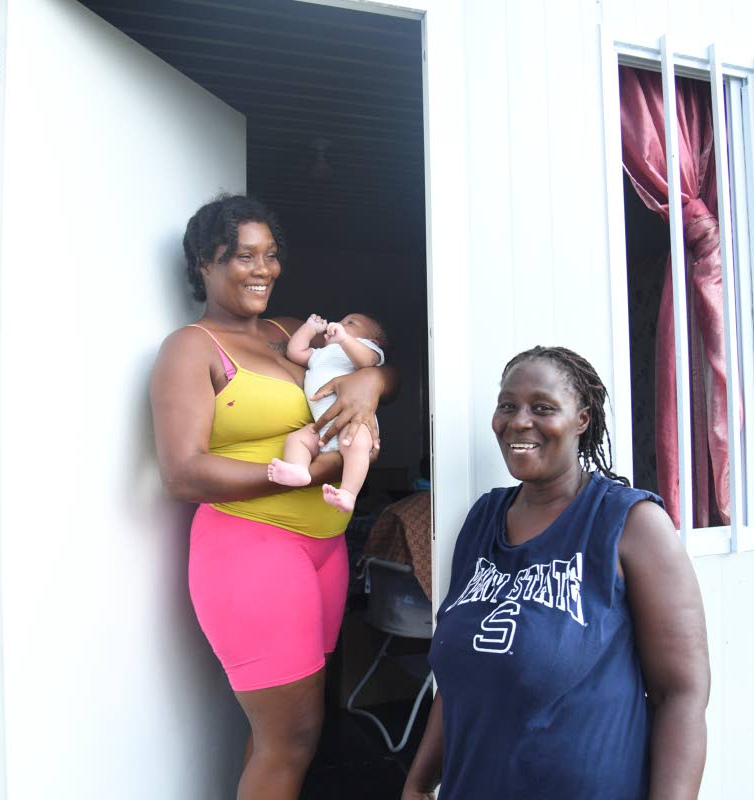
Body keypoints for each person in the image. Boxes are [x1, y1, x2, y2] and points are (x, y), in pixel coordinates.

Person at [150, 194, 395, 800]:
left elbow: (384, 367)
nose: (264, 268)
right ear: (203, 264)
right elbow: (182, 473)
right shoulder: (192, 348)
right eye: (242, 256)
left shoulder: (291, 332)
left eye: (271, 254)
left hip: (324, 550)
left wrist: (371, 381)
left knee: (282, 737)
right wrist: (318, 471)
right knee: (293, 735)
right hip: (250, 547)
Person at [402, 346, 709, 800]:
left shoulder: (630, 524)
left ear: (582, 419)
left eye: (542, 407)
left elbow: (680, 696)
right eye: (508, 406)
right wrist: (419, 782)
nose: (519, 421)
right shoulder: (483, 519)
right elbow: (463, 680)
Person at [268, 311, 388, 513]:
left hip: (354, 423)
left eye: (350, 322)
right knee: (297, 439)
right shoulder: (320, 354)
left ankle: (349, 493)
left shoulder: (366, 350)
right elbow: (295, 352)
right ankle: (299, 470)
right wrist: (309, 329)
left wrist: (344, 339)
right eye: (340, 321)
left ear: (371, 340)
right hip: (322, 426)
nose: (340, 324)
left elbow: (366, 361)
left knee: (356, 445)